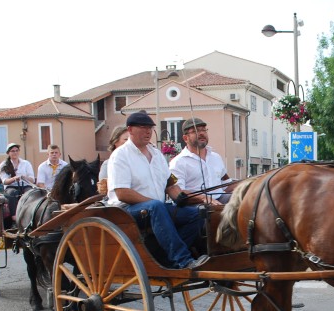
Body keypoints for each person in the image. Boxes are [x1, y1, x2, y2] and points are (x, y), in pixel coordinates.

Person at [107, 111, 208, 270]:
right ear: (130, 130)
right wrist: (151, 203)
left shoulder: (157, 155)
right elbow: (122, 192)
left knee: (197, 214)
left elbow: (171, 185)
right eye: (143, 127)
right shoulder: (120, 155)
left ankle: (166, 258)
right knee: (156, 207)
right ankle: (183, 259)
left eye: (150, 128)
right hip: (126, 211)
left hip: (155, 209)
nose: (148, 131)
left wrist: (181, 197)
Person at [169, 118, 234, 205]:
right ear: (185, 138)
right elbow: (179, 192)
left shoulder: (216, 157)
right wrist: (203, 198)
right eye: (195, 131)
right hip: (196, 205)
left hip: (219, 199)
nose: (201, 133)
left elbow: (226, 185)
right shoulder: (178, 162)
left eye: (204, 130)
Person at [0, 143, 35, 226]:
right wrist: (14, 178)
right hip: (11, 186)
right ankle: (14, 217)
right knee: (12, 193)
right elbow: (4, 181)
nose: (15, 153)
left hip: (25, 185)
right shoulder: (4, 165)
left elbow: (32, 179)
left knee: (30, 193)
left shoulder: (26, 163)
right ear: (8, 153)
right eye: (12, 151)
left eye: (16, 151)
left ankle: (30, 214)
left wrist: (23, 177)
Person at [98, 125, 129, 196]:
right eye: (126, 139)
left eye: (131, 140)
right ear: (115, 142)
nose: (129, 143)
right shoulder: (108, 164)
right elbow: (104, 190)